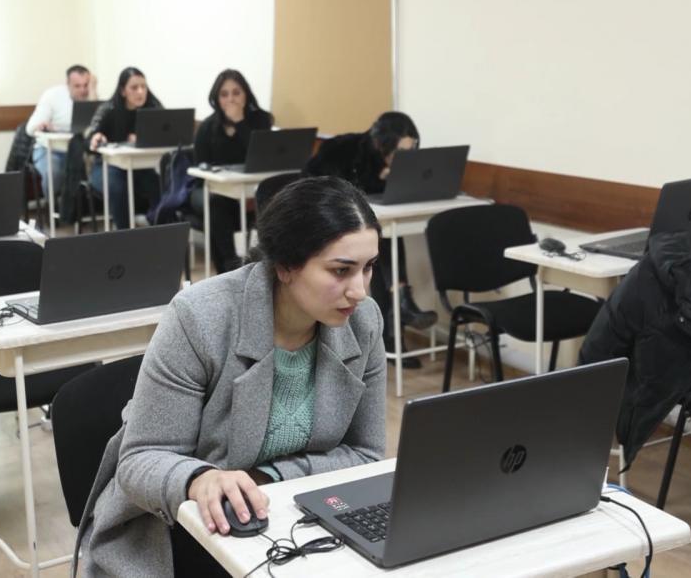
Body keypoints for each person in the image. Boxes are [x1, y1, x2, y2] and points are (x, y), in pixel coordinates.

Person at [76, 176, 386, 578]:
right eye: (341, 270)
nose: (360, 291)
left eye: (368, 268)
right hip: (176, 527)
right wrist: (200, 479)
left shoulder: (364, 322)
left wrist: (267, 478)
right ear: (285, 266)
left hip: (290, 517)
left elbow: (367, 455)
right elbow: (139, 462)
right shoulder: (200, 316)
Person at [304, 111, 438, 367]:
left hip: (366, 231)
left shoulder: (389, 162)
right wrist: (379, 178)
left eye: (408, 151)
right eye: (398, 151)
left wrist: (390, 177)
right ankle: (400, 306)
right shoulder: (342, 149)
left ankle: (395, 319)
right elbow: (327, 191)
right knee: (381, 240)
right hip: (327, 224)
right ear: (381, 143)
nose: (402, 158)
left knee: (384, 240)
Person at [191, 69, 273, 274]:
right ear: (217, 98)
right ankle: (232, 267)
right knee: (215, 204)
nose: (231, 99)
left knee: (270, 198)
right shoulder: (207, 126)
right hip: (210, 190)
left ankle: (263, 266)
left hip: (250, 190)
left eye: (236, 93)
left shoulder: (261, 120)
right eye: (224, 94)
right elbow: (200, 170)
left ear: (246, 94)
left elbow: (263, 157)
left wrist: (240, 123)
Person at [88, 67, 163, 229]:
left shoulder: (153, 107)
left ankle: (159, 231)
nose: (140, 92)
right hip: (107, 166)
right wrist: (96, 137)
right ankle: (125, 235)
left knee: (159, 185)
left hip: (141, 167)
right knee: (118, 188)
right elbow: (91, 136)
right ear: (123, 90)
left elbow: (165, 134)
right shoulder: (108, 109)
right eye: (134, 87)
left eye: (143, 86)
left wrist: (145, 137)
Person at [26, 65, 97, 190]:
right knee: (53, 174)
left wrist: (93, 90)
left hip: (79, 151)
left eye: (86, 85)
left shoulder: (91, 95)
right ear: (67, 85)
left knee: (99, 174)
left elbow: (96, 125)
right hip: (50, 149)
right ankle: (52, 202)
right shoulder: (52, 95)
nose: (82, 90)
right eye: (77, 86)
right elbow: (30, 128)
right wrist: (42, 126)